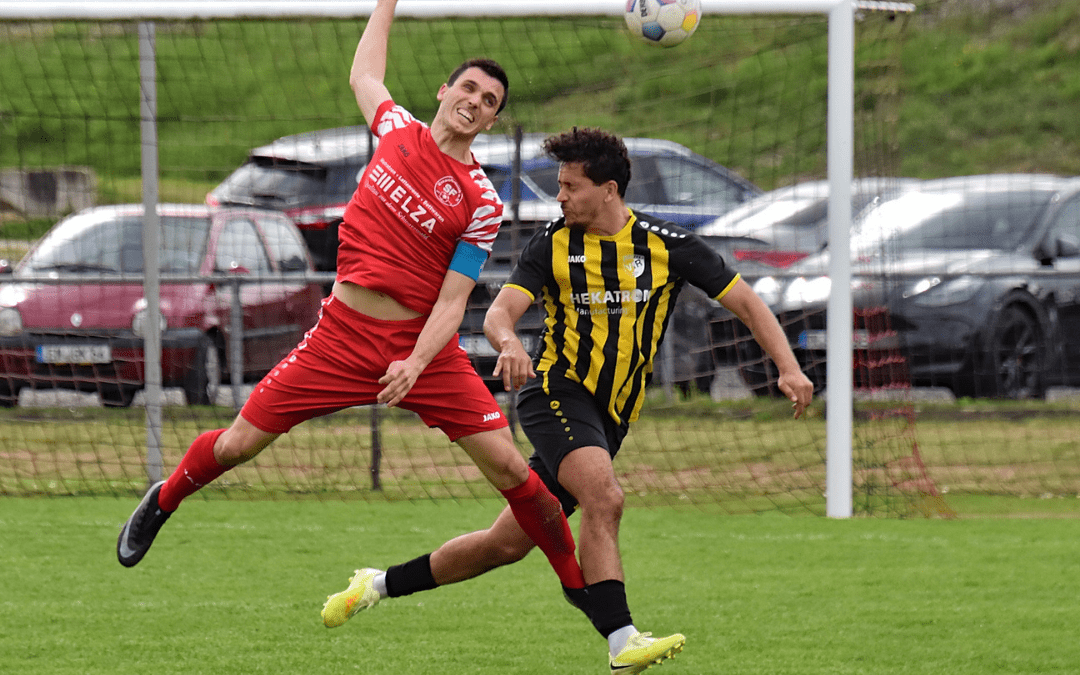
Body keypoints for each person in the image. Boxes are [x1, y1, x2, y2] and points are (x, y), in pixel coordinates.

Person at [117, 0, 588, 601]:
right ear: (445, 91)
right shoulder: (396, 131)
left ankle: (581, 589)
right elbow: (364, 76)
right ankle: (164, 499)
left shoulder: (481, 199)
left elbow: (453, 301)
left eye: (490, 100)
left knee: (512, 470)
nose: (475, 100)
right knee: (238, 445)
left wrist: (417, 362)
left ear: (492, 121)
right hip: (339, 338)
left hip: (421, 353)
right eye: (468, 87)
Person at [320, 127, 815, 674]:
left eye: (569, 186)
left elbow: (747, 302)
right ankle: (622, 640)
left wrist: (788, 369)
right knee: (605, 499)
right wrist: (508, 345)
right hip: (555, 392)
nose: (559, 196)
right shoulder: (552, 244)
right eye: (558, 185)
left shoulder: (666, 246)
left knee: (506, 544)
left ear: (608, 189)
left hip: (611, 417)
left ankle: (378, 584)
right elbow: (498, 314)